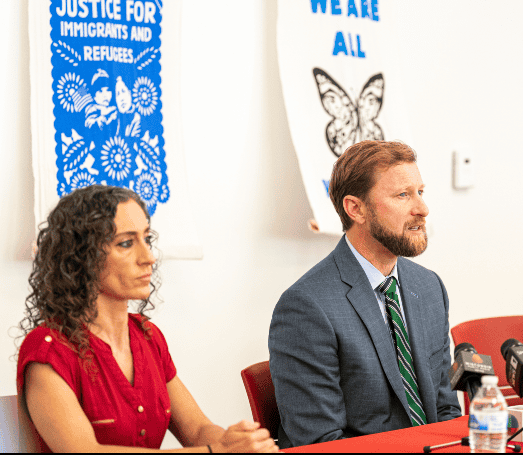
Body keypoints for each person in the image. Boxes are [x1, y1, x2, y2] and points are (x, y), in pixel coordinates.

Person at [17, 185, 277, 453]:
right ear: (80, 257)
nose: (149, 258)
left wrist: (234, 443)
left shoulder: (147, 336)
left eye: (147, 239)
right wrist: (215, 452)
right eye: (126, 243)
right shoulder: (47, 351)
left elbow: (198, 429)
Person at [268, 140, 461, 448]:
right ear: (355, 208)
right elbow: (322, 442)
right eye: (402, 195)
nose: (422, 209)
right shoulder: (305, 307)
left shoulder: (428, 287)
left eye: (420, 192)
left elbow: (444, 408)